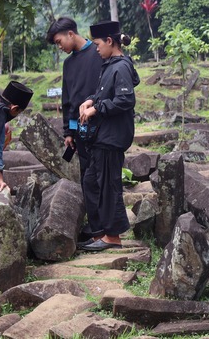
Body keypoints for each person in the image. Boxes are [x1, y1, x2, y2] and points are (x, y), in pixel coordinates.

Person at [77, 21, 140, 252]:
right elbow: (107, 92)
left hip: (112, 137)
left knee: (108, 185)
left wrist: (97, 109)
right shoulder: (110, 64)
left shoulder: (120, 66)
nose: (95, 48)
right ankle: (100, 233)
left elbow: (125, 100)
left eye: (97, 44)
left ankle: (113, 236)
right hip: (103, 136)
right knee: (91, 182)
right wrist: (91, 99)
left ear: (110, 42)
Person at [46, 17, 104, 179]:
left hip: (102, 126)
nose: (59, 46)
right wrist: (69, 132)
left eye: (59, 41)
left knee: (103, 175)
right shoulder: (68, 64)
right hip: (81, 130)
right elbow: (68, 101)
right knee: (86, 175)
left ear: (70, 34)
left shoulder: (99, 52)